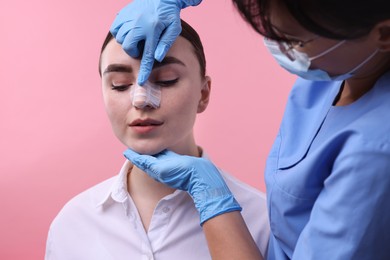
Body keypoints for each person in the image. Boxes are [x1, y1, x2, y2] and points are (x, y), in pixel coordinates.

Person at [110, 0, 390, 259]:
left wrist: (210, 194)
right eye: (120, 84)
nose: (141, 100)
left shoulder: (374, 153)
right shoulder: (340, 68)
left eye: (293, 41)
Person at [45, 19, 270, 259]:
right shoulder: (73, 223)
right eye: (120, 85)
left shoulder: (262, 220)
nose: (141, 99)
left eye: (166, 80)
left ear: (203, 94)